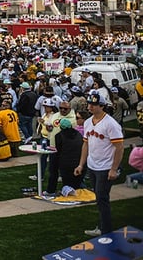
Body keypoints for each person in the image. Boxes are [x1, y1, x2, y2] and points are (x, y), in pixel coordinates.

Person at [74, 92, 124, 237]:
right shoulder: (88, 122)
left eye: (94, 104)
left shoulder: (110, 124)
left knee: (102, 198)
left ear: (102, 106)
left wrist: (113, 169)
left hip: (105, 167)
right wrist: (81, 165)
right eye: (89, 104)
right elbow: (86, 144)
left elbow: (120, 147)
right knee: (99, 197)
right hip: (93, 165)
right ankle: (104, 227)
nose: (90, 106)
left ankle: (105, 230)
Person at [54, 118, 84, 190]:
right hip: (78, 161)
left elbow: (58, 150)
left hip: (66, 163)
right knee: (77, 182)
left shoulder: (59, 136)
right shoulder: (78, 134)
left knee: (67, 183)